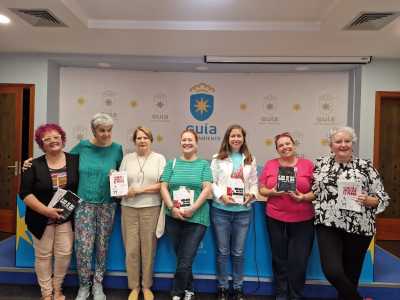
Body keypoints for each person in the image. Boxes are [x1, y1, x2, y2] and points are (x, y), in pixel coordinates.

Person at [312, 126, 389, 300]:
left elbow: (382, 197)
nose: (343, 145)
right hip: (328, 223)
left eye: (347, 141)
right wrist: (302, 197)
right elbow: (315, 191)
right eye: (338, 141)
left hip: (359, 227)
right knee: (332, 271)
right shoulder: (321, 164)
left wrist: (368, 200)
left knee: (350, 276)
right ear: (331, 145)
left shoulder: (366, 166)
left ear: (352, 144)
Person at [20, 123, 79, 300]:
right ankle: (46, 293)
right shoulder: (32, 165)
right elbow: (25, 193)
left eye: (56, 137)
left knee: (64, 254)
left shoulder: (75, 160)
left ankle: (57, 289)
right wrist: (46, 211)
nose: (53, 141)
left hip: (66, 219)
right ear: (41, 143)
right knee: (43, 256)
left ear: (62, 138)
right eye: (47, 139)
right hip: (40, 219)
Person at [71, 113, 123, 300]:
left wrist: (118, 179)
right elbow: (62, 162)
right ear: (93, 130)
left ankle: (98, 284)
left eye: (109, 130)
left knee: (102, 246)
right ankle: (84, 285)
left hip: (107, 205)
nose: (106, 134)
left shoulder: (117, 149)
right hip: (84, 204)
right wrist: (34, 163)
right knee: (83, 247)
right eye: (102, 130)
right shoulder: (82, 147)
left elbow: (121, 176)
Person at [259, 132, 315, 300]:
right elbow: (262, 189)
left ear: (294, 145)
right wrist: (272, 192)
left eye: (288, 143)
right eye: (281, 145)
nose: (285, 147)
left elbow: (318, 191)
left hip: (303, 220)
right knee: (279, 259)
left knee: (299, 261)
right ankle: (281, 294)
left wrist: (304, 197)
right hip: (275, 218)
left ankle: (295, 294)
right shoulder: (270, 165)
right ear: (277, 149)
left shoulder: (308, 165)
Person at [160, 129, 213, 300]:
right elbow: (163, 187)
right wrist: (171, 207)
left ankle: (176, 293)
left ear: (196, 143)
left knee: (186, 258)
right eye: (184, 140)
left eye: (190, 140)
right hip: (173, 217)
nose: (187, 143)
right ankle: (189, 289)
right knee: (183, 258)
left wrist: (193, 209)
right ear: (180, 143)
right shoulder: (172, 163)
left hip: (197, 218)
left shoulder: (204, 165)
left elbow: (207, 189)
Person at [210, 125, 258, 300]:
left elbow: (254, 183)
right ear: (227, 138)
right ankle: (222, 287)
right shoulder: (218, 158)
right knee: (222, 252)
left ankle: (238, 288)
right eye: (233, 136)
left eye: (239, 136)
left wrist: (251, 194)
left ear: (243, 138)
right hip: (221, 211)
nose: (236, 139)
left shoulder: (250, 159)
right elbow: (211, 182)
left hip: (243, 212)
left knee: (238, 252)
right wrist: (221, 196)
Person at [119, 126, 166, 300]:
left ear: (151, 140)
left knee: (148, 249)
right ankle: (134, 287)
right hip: (128, 208)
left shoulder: (159, 159)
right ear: (134, 141)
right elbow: (120, 183)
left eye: (145, 137)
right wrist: (115, 181)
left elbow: (163, 184)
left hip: (151, 207)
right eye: (139, 138)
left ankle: (146, 286)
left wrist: (139, 190)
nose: (142, 141)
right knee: (131, 249)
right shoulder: (127, 158)